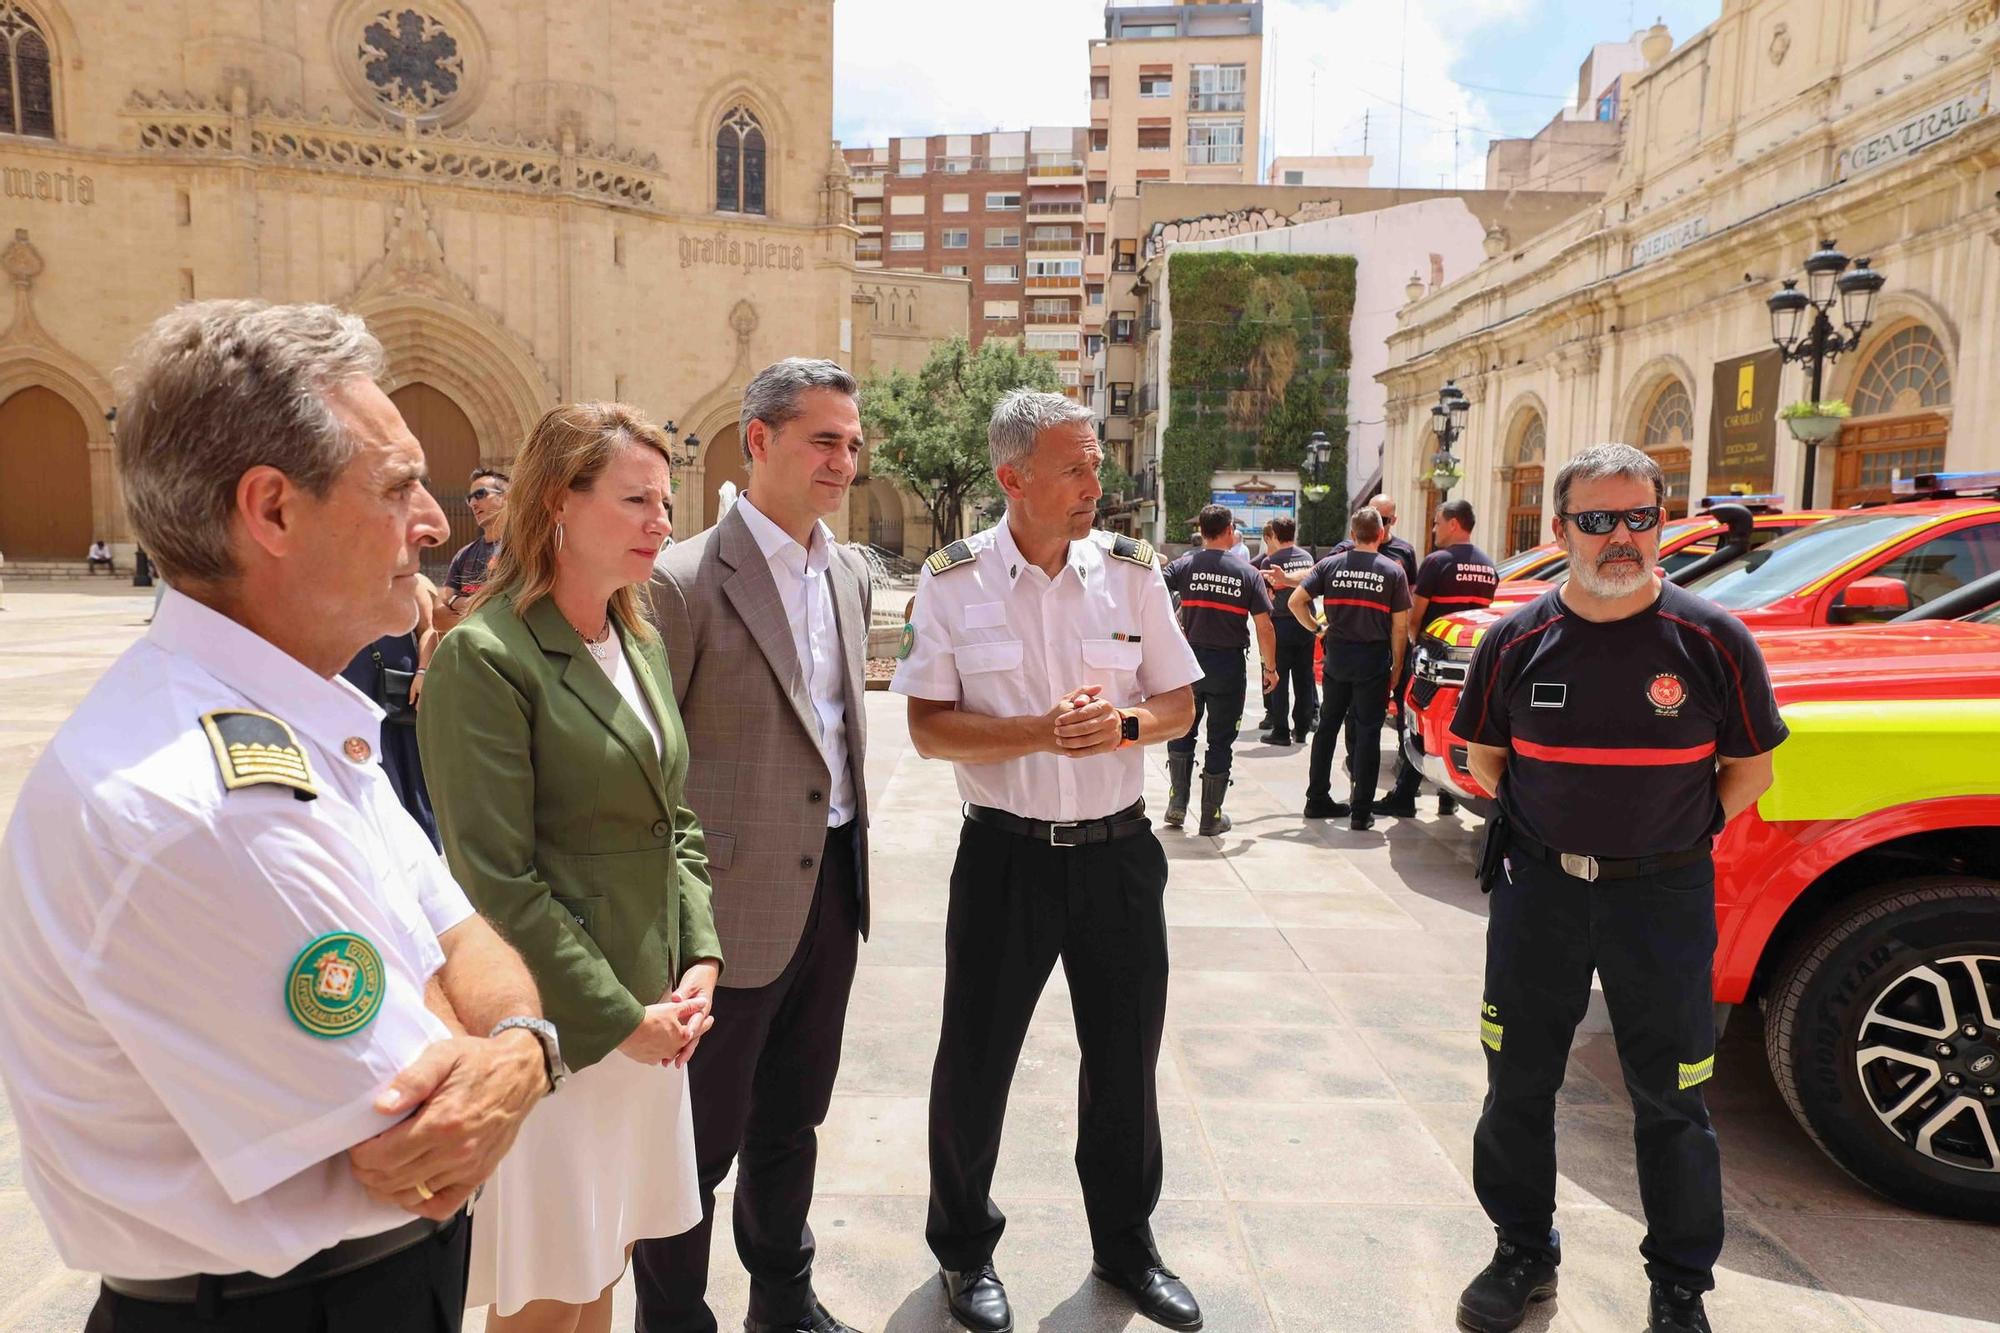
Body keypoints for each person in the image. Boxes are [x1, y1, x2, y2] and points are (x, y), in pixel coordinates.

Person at [0, 299, 556, 1333]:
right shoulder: (208, 805)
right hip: (291, 1307)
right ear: (271, 511)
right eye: (396, 487)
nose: (434, 522)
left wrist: (518, 1043)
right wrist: (508, 1038)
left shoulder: (291, 722)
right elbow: (427, 1140)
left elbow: (466, 929)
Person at [1448, 444, 1784, 1333]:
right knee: (1517, 1084)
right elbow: (1486, 763)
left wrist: (1664, 834)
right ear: (1560, 532)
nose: (1621, 537)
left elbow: (1748, 771)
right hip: (1541, 895)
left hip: (1662, 901)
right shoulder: (1513, 640)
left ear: (1661, 522)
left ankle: (1678, 1286)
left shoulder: (1713, 639)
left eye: (1638, 516)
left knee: (1673, 1098)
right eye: (1597, 520)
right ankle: (1523, 1251)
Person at [894, 389, 1204, 1333]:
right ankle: (964, 1251)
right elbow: (927, 729)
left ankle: (1126, 1244)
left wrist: (1115, 725)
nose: (1093, 482)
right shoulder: (952, 583)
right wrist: (1039, 732)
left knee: (1124, 1060)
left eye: (1095, 463)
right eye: (1074, 465)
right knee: (976, 1063)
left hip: (1118, 857)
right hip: (1005, 860)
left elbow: (1179, 704)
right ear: (1012, 476)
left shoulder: (1131, 574)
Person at [418, 402, 723, 1333]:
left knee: (604, 1273)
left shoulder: (635, 635)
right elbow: (495, 881)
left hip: (653, 1019)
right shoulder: (486, 655)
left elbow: (673, 817)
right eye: (635, 499)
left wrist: (700, 958)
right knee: (545, 1299)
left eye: (664, 501)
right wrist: (619, 1016)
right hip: (561, 1033)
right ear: (556, 501)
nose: (661, 522)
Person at [637, 359, 874, 1333]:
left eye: (853, 445)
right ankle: (674, 1320)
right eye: (823, 439)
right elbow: (646, 773)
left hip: (832, 889)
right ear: (758, 441)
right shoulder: (682, 581)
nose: (843, 462)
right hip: (719, 912)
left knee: (792, 1122)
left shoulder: (852, 572)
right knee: (692, 1145)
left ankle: (781, 1300)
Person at [1377, 498, 1498, 818]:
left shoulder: (1437, 562)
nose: (1434, 529)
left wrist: (1413, 647)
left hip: (1436, 658)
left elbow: (1414, 616)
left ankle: (1405, 794)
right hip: (1472, 661)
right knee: (1456, 724)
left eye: (1437, 522)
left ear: (1454, 524)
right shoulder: (1487, 565)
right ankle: (1447, 797)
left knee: (1417, 722)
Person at [1290, 507, 1409, 830]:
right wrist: (1398, 663)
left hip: (1338, 657)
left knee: (1328, 726)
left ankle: (1316, 798)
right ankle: (1360, 810)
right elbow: (1400, 627)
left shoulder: (1330, 565)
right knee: (1369, 731)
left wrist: (1316, 629)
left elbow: (1295, 601)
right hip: (1373, 659)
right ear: (1381, 535)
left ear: (1353, 534)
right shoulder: (1393, 571)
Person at [1161, 503, 1276, 836]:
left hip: (1189, 662)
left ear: (1201, 531)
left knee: (1183, 728)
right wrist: (1271, 668)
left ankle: (1177, 804)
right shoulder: (1247, 573)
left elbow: (1153, 592)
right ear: (1228, 530)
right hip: (1228, 666)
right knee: (1221, 741)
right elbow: (1265, 627)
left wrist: (1172, 630)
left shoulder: (1183, 565)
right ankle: (1211, 816)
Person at [339, 573, 444, 848]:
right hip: (355, 694)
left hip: (402, 696)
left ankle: (423, 851)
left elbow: (429, 629)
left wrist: (424, 671)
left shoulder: (414, 582)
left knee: (410, 773)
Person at [1258, 516, 1319, 745]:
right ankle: (1301, 729)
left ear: (1273, 535)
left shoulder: (1270, 562)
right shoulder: (1307, 558)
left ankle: (1281, 730)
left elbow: (1266, 596)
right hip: (1305, 623)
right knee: (1304, 678)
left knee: (1279, 679)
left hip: (1280, 625)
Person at [436, 466, 508, 632]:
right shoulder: (464, 554)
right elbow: (439, 617)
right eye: (470, 498)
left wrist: (456, 602)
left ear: (505, 497)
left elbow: (508, 609)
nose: (473, 503)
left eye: (480, 494)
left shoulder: (524, 550)